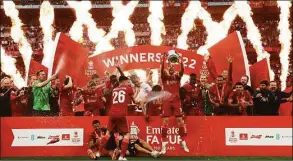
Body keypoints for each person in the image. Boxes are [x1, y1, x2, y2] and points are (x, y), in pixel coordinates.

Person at [99, 76, 135, 160]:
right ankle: (122, 156)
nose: (128, 83)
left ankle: (98, 153)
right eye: (127, 82)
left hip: (112, 113)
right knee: (126, 134)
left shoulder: (114, 89)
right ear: (124, 82)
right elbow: (135, 100)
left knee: (108, 133)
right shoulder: (128, 88)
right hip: (122, 113)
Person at [160, 52, 189, 154]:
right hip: (167, 102)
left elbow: (182, 70)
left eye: (173, 67)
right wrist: (163, 60)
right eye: (169, 67)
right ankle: (164, 145)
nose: (171, 68)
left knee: (180, 121)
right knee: (165, 123)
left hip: (176, 102)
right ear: (166, 71)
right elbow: (161, 70)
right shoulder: (164, 78)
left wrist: (180, 59)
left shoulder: (177, 77)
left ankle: (183, 142)